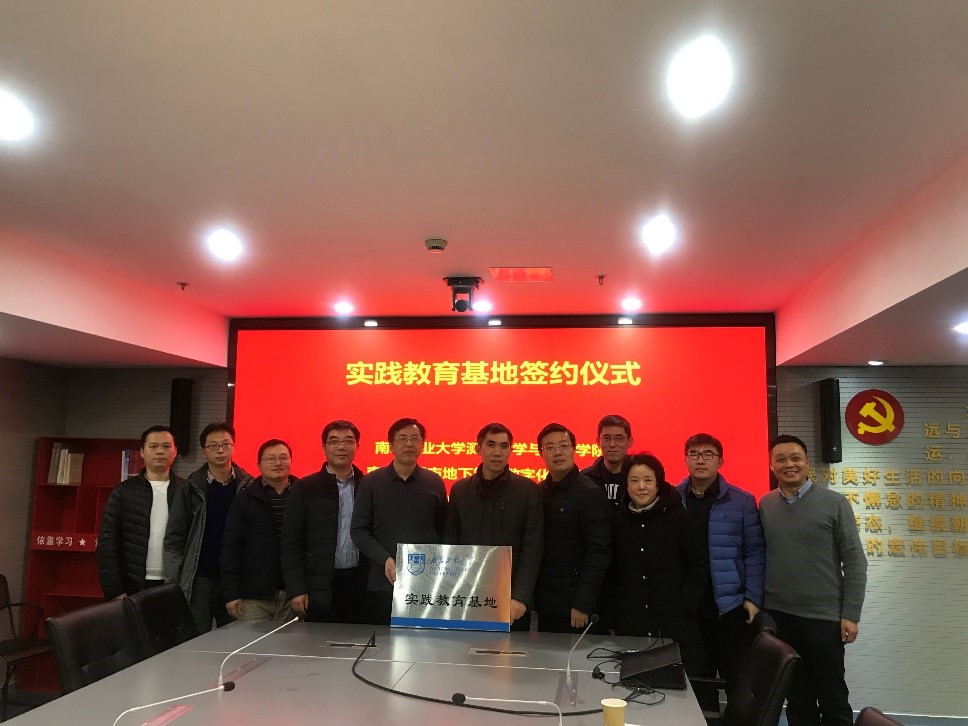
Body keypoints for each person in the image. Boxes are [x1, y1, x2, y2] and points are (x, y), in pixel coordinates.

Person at [760, 434, 867, 726]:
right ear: (771, 465)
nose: (789, 464)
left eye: (795, 458)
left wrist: (851, 614)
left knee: (833, 697)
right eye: (781, 459)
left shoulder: (834, 503)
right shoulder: (766, 504)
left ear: (807, 462)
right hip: (781, 616)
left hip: (824, 619)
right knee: (797, 698)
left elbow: (855, 561)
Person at [675, 433, 765, 690]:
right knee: (692, 679)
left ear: (720, 461)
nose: (700, 460)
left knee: (734, 677)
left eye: (708, 454)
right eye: (694, 454)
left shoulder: (741, 500)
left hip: (728, 605)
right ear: (685, 460)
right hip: (687, 604)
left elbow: (755, 551)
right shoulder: (672, 498)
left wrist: (753, 597)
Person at [607, 452, 707, 675]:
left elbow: (698, 564)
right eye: (634, 480)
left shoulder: (679, 517)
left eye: (648, 480)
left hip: (675, 624)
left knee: (681, 686)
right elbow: (612, 574)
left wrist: (687, 603)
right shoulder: (618, 522)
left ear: (658, 484)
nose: (641, 487)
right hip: (631, 624)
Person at [444, 422, 544, 631]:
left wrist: (520, 597)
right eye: (491, 445)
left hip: (511, 601)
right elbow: (451, 544)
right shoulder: (459, 490)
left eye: (503, 446)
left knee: (512, 651)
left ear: (511, 450)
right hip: (467, 597)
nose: (497, 452)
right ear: (478, 449)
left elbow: (532, 549)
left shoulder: (527, 491)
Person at [351, 418, 447, 625]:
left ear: (423, 445)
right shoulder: (371, 482)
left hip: (425, 584)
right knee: (382, 640)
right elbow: (359, 531)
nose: (409, 444)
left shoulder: (434, 482)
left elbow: (443, 531)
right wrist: (385, 558)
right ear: (391, 446)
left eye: (415, 439)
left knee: (424, 641)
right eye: (402, 439)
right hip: (382, 582)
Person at [164, 422, 253, 633]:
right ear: (204, 451)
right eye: (213, 446)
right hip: (200, 579)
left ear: (234, 447)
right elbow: (174, 538)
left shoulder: (248, 487)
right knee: (196, 638)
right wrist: (174, 581)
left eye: (226, 444)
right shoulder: (190, 488)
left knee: (235, 639)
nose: (220, 450)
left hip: (237, 579)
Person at [282, 420, 367, 622]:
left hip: (360, 583)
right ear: (323, 447)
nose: (341, 447)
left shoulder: (368, 486)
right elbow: (291, 542)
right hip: (319, 585)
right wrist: (296, 589)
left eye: (348, 441)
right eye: (334, 441)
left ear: (357, 446)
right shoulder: (305, 488)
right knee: (319, 639)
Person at [533, 423, 611, 633]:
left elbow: (599, 552)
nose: (557, 452)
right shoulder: (538, 493)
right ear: (541, 453)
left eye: (563, 445)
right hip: (545, 605)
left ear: (574, 449)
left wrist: (583, 603)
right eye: (550, 447)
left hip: (576, 609)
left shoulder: (590, 494)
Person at [97, 426, 184, 599]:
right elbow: (107, 543)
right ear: (142, 452)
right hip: (133, 584)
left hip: (176, 583)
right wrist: (115, 591)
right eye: (153, 446)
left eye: (166, 446)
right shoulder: (123, 492)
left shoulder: (187, 491)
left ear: (175, 451)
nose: (160, 451)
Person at [220, 439, 296, 622]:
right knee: (252, 641)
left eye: (283, 458)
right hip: (254, 597)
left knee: (293, 641)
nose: (278, 463)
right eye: (271, 459)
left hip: (293, 595)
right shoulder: (245, 499)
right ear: (258, 465)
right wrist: (231, 593)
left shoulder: (303, 495)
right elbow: (231, 548)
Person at [581, 414, 634, 509]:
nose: (612, 444)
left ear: (629, 442)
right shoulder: (584, 479)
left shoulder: (640, 479)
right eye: (606, 438)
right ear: (598, 442)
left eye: (619, 438)